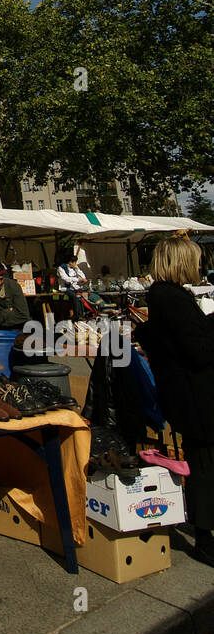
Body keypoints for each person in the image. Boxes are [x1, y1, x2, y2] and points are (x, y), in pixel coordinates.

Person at [135, 235, 214, 570]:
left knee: (204, 461)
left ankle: (205, 532)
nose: (200, 265)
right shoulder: (171, 297)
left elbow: (173, 337)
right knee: (205, 464)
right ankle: (206, 536)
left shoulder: (167, 296)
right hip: (195, 396)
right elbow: (196, 350)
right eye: (196, 259)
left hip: (189, 394)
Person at [57, 252, 88, 320]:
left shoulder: (74, 268)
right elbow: (66, 279)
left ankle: (85, 313)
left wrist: (77, 269)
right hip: (65, 288)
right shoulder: (61, 268)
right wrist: (78, 279)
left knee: (85, 294)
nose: (75, 264)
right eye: (74, 262)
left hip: (75, 287)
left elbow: (83, 277)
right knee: (75, 296)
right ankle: (77, 315)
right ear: (70, 262)